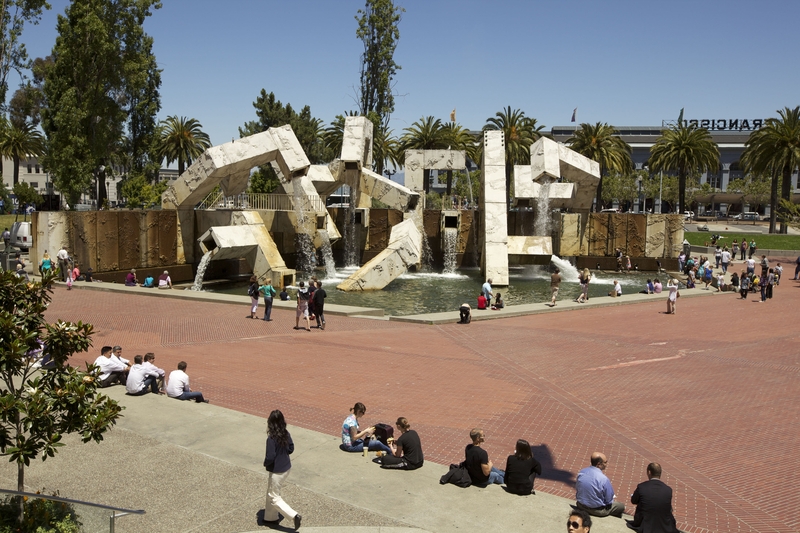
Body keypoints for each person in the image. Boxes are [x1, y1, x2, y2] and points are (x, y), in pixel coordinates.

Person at [263, 410, 301, 530]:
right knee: (272, 492)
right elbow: (291, 448)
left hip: (277, 471)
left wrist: (265, 463)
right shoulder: (285, 433)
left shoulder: (271, 438)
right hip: (286, 467)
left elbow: (270, 457)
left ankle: (294, 515)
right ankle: (270, 518)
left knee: (274, 497)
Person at [626, 463, 680, 533]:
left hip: (644, 523)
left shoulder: (642, 487)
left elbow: (634, 501)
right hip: (663, 524)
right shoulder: (668, 490)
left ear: (649, 472)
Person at [575, 451, 625, 518]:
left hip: (580, 505)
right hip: (596, 510)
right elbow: (609, 499)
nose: (606, 464)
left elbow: (578, 487)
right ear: (599, 464)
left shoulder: (582, 472)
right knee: (620, 506)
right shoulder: (603, 479)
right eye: (605, 462)